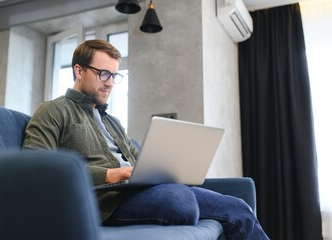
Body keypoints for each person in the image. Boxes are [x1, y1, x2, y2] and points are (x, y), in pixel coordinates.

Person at [22, 39, 269, 240]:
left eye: (115, 76)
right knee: (179, 201)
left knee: (238, 206)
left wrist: (166, 168)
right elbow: (36, 168)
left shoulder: (112, 122)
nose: (110, 83)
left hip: (141, 192)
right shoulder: (53, 111)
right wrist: (111, 174)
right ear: (78, 70)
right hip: (105, 201)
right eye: (103, 74)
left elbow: (140, 163)